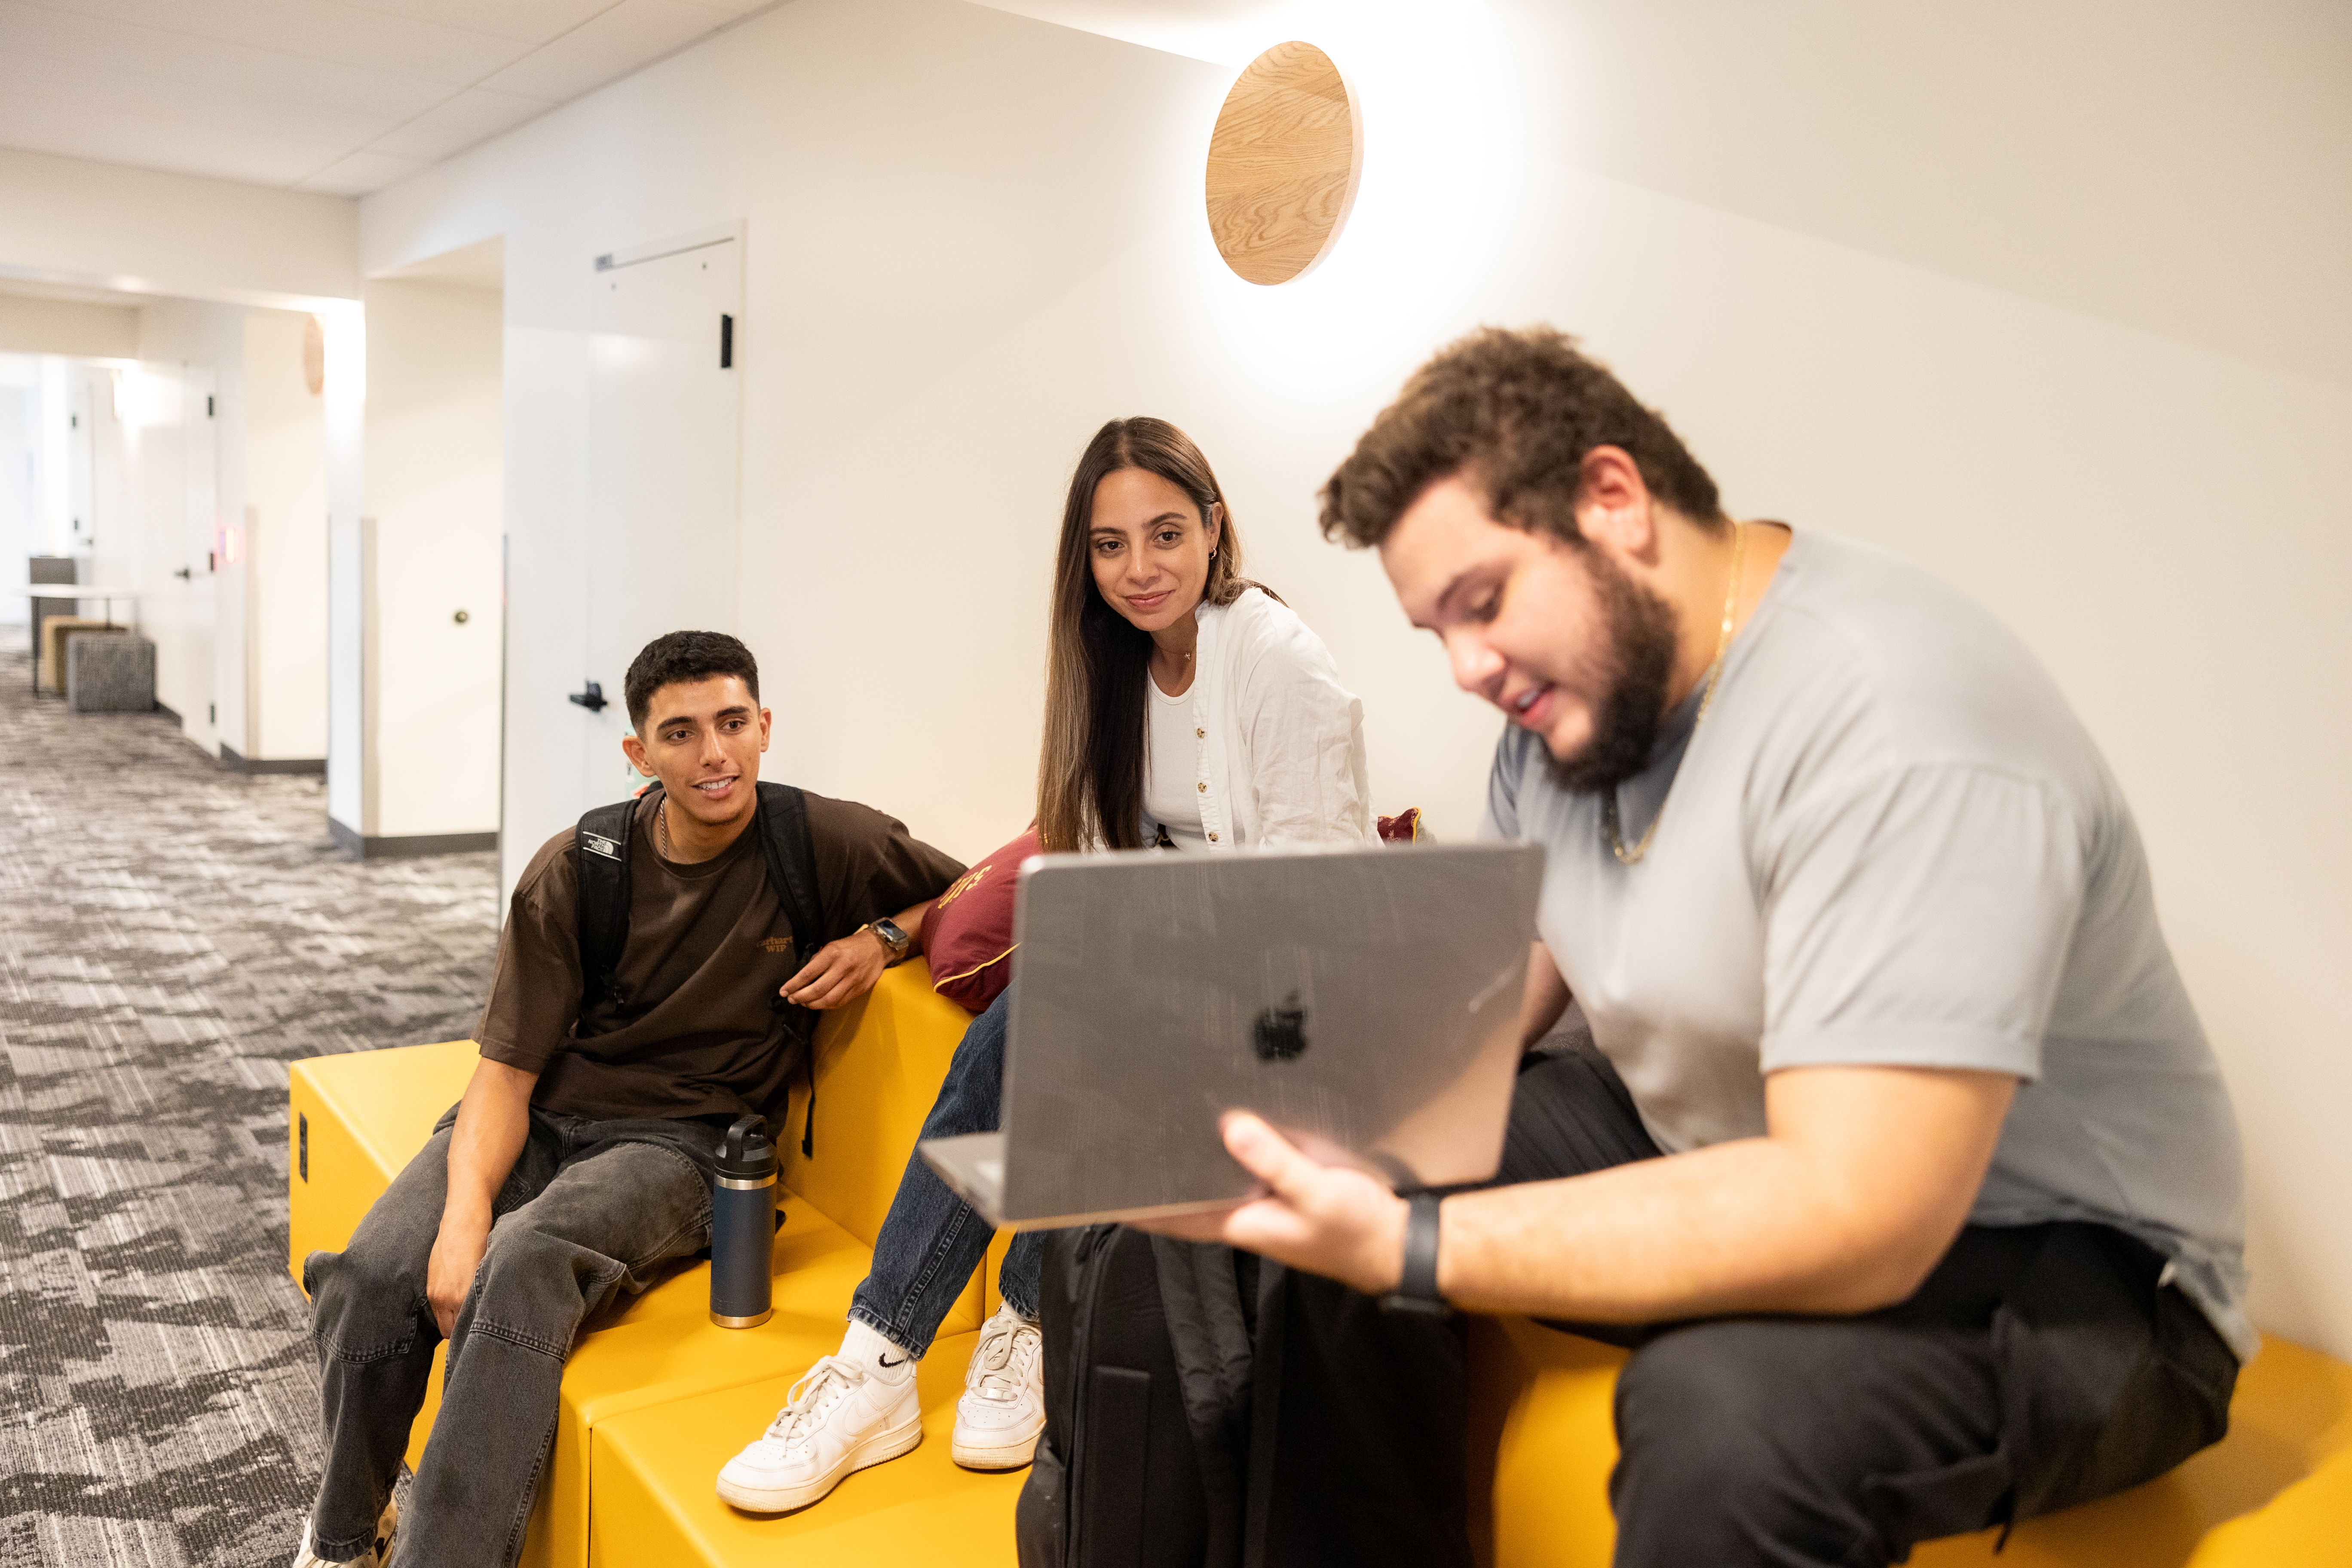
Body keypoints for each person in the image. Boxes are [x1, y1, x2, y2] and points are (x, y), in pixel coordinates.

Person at [1160, 327, 2250, 1566]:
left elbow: (1864, 1210)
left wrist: (1412, 1242)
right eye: (1434, 632)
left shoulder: (1898, 719)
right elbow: (1478, 1009)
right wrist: (1261, 1097)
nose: (1466, 668)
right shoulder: (1565, 716)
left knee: (1721, 1420)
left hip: (2065, 1263)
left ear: (1613, 502)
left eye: (1484, 603)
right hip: (1729, 1140)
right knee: (1343, 1168)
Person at [714, 416, 1378, 1513]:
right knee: (1037, 1017)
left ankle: (981, 1332)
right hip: (1167, 967)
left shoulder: (1275, 659)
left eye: (1166, 534)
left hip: (1287, 996)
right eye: (1110, 546)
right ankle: (897, 1361)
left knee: (1071, 1019)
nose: (1139, 569)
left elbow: (1317, 900)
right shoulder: (1111, 665)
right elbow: (1111, 870)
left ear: (1214, 528)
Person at [293, 630, 965, 1568]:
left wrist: (886, 935)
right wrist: (459, 1217)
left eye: (733, 724)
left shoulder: (821, 842)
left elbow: (976, 892)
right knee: (371, 1276)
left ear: (765, 727)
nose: (714, 754)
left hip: (686, 1144)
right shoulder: (579, 867)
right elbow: (505, 1074)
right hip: (545, 1118)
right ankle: (341, 1541)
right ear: (638, 753)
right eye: (681, 734)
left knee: (524, 1258)